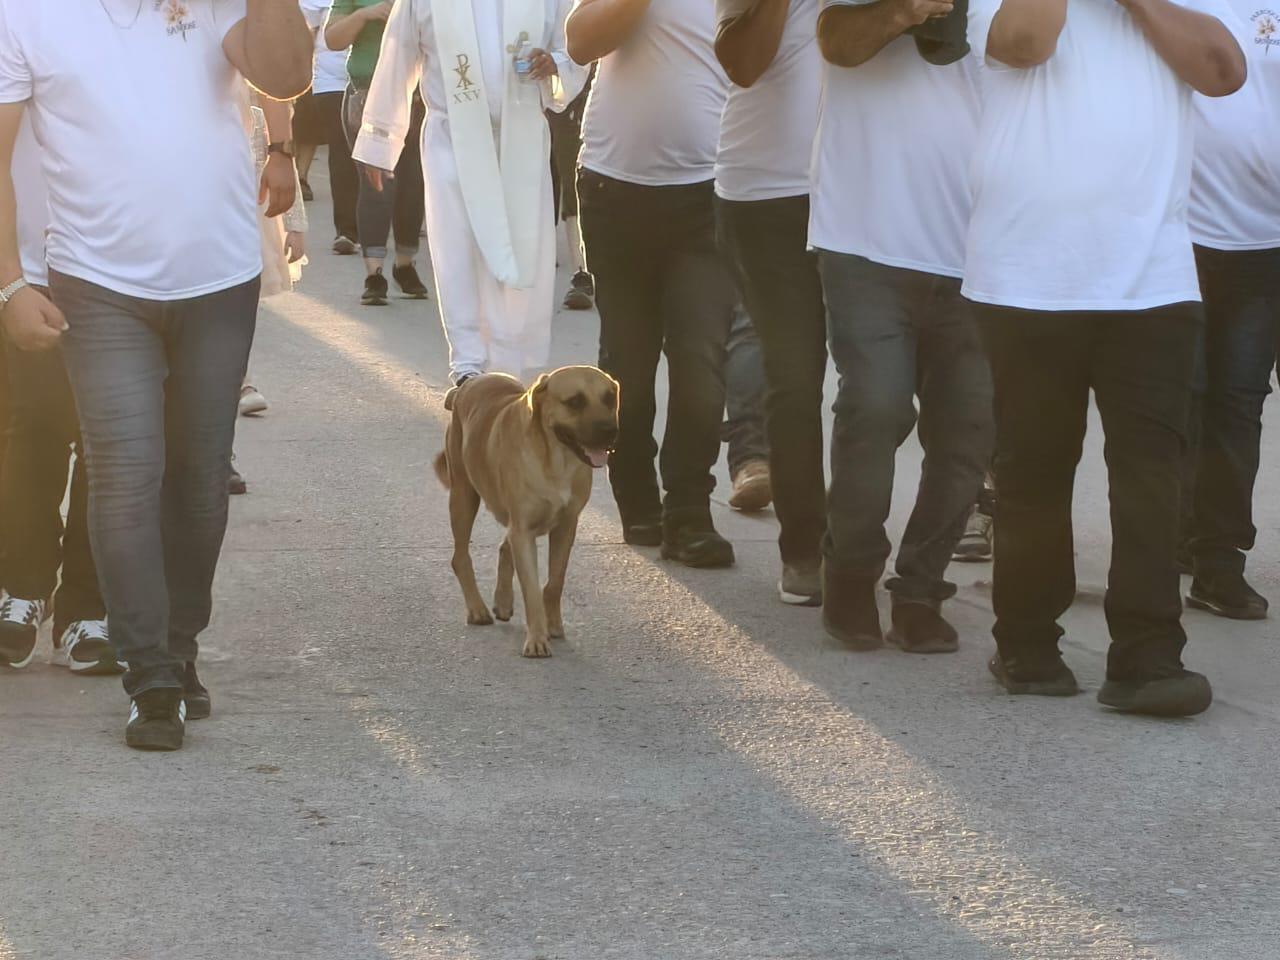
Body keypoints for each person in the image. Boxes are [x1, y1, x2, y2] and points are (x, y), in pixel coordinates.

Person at [0, 0, 312, 751]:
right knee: (126, 471)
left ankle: (179, 643)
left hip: (220, 279)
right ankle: (151, 676)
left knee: (199, 481)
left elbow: (287, 74)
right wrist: (10, 284)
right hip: (97, 283)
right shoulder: (28, 14)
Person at [965, 0, 1244, 715]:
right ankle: (1027, 646)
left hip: (1152, 280)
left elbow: (1223, 73)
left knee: (1152, 472)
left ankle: (1148, 659)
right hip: (1027, 277)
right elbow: (1025, 41)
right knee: (1033, 469)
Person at [812, 0, 993, 653]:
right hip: (865, 237)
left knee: (969, 431)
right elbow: (835, 38)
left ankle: (920, 590)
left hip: (980, 246)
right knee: (876, 406)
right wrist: (906, 11)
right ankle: (852, 575)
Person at [567, 0, 739, 568]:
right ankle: (638, 499)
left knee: (701, 364)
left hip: (709, 197)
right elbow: (580, 42)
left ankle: (690, 513)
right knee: (629, 368)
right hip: (614, 192)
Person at [353, 0, 588, 385]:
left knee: (517, 245)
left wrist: (555, 66)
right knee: (458, 245)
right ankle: (467, 364)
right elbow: (399, 52)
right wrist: (380, 141)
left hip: (522, 136)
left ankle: (507, 364)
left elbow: (575, 44)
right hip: (453, 136)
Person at [714, 0, 826, 604]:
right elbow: (742, 62)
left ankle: (858, 538)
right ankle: (807, 549)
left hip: (868, 187)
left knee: (882, 387)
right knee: (795, 374)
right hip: (768, 193)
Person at [0, 115, 114, 676]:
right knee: (31, 427)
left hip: (118, 263)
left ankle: (87, 607)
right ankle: (22, 585)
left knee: (107, 438)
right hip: (24, 261)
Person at [1182, 2, 1279, 621]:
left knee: (1236, 407)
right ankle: (1194, 556)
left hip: (1267, 240)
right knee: (1192, 404)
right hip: (1180, 235)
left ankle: (1213, 556)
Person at [326, 0, 431, 306]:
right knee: (377, 186)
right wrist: (365, 14)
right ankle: (374, 274)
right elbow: (332, 39)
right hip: (367, 97)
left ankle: (405, 265)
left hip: (418, 99)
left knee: (413, 184)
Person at [300, 0, 361, 253]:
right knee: (341, 152)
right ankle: (347, 231)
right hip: (331, 83)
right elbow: (307, 32)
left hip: (378, 78)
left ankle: (397, 229)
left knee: (383, 158)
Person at [548, 72, 594, 311]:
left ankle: (586, 270)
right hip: (567, 88)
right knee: (569, 173)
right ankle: (581, 272)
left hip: (609, 84)